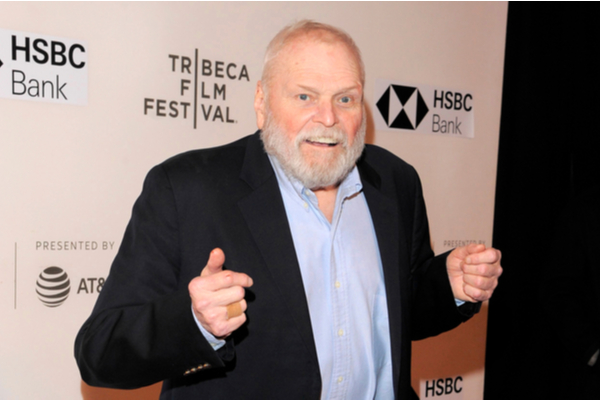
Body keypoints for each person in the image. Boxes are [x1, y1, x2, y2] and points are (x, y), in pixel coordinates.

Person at [75, 20, 502, 399]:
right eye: (304, 96)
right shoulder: (186, 189)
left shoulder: (395, 182)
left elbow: (396, 316)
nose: (328, 118)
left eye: (345, 99)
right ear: (262, 103)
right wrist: (194, 322)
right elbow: (99, 351)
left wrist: (446, 286)